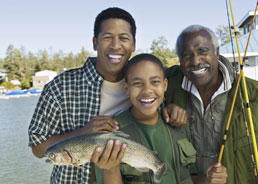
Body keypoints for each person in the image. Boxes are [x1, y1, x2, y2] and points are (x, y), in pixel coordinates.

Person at [28, 7, 136, 184]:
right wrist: (83, 132)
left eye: (123, 38)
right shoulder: (60, 87)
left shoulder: (146, 86)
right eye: (107, 37)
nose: (116, 45)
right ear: (95, 43)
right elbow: (38, 148)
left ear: (133, 44)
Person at [164, 25, 258, 183]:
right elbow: (138, 79)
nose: (196, 61)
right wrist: (161, 110)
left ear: (216, 52)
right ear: (180, 61)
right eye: (186, 55)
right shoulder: (167, 87)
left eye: (203, 51)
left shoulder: (253, 92)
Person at [92, 53, 227, 184]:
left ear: (165, 85)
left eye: (155, 82)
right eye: (138, 83)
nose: (147, 91)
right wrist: (110, 169)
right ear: (126, 88)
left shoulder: (178, 125)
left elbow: (189, 177)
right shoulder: (112, 133)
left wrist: (208, 180)